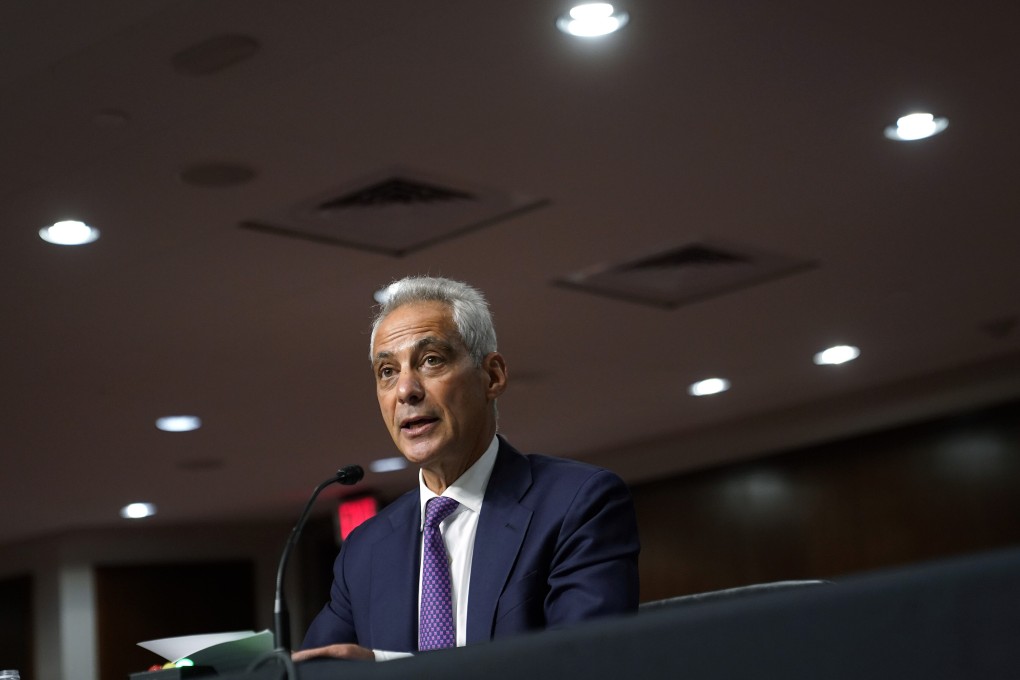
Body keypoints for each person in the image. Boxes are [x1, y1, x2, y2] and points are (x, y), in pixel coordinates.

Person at [294, 276, 640, 662]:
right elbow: (316, 670)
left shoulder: (579, 503)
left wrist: (393, 670)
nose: (406, 390)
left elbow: (587, 663)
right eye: (387, 371)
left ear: (492, 376)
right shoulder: (365, 550)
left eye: (430, 361)